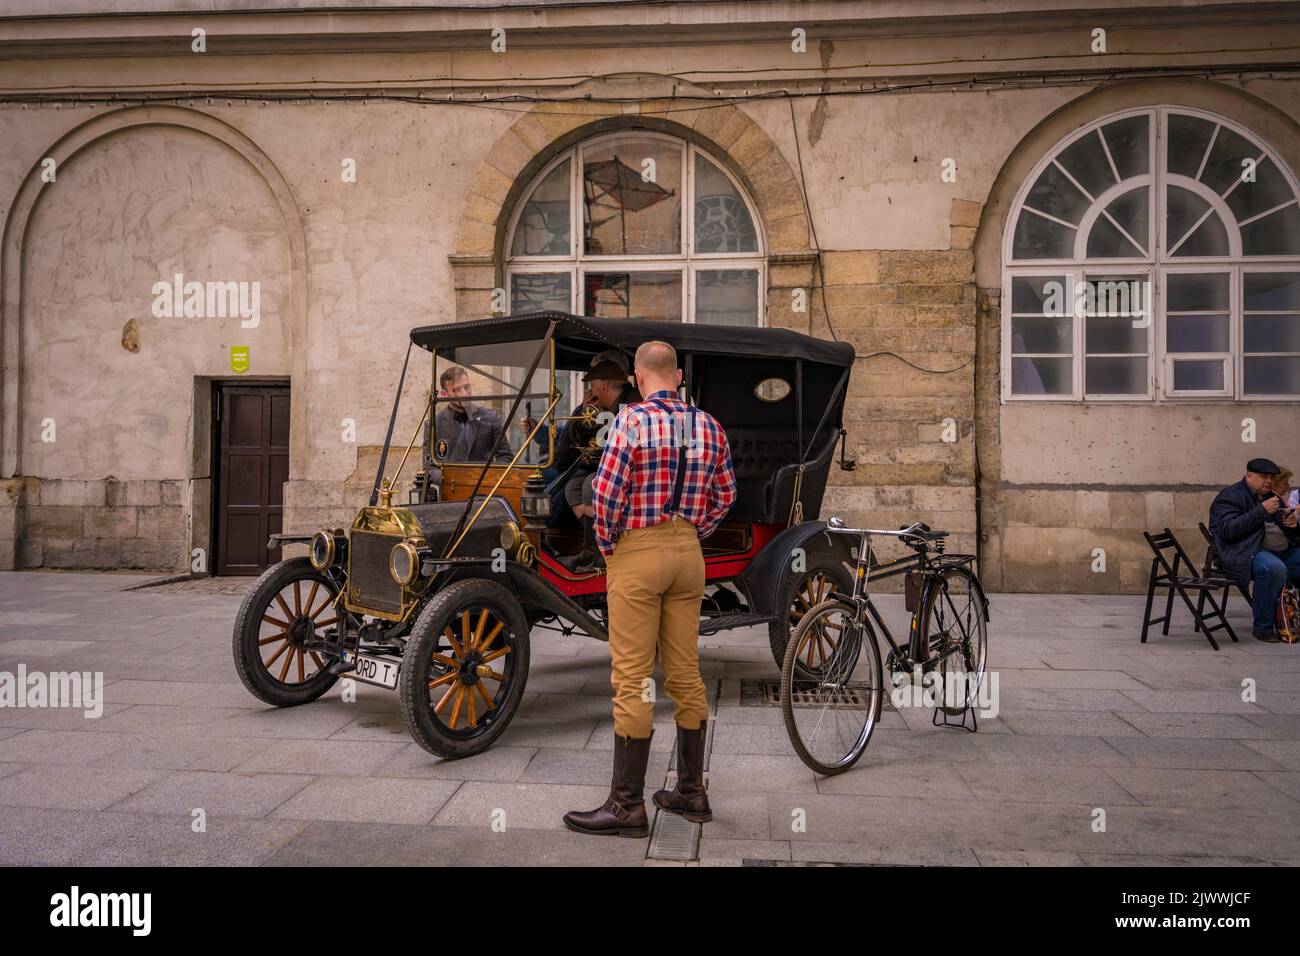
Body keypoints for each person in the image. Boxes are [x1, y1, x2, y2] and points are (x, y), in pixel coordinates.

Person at [563, 340, 737, 838]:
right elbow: (727, 494)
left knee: (634, 677)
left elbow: (605, 493)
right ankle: (691, 792)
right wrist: (693, 530)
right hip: (688, 555)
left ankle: (626, 806)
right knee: (685, 672)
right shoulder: (708, 425)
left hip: (637, 552)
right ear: (677, 376)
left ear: (638, 379)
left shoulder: (631, 420)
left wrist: (610, 545)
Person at [556, 360, 642, 571]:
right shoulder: (599, 408)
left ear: (603, 386)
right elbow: (573, 440)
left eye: (592, 386)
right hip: (607, 467)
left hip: (634, 471)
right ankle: (593, 548)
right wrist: (583, 413)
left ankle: (599, 551)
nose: (590, 392)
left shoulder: (632, 403)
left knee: (590, 484)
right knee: (572, 487)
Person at [1208, 457, 1300, 642]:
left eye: (1271, 477)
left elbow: (1288, 531)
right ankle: (1263, 628)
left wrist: (1292, 524)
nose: (1269, 481)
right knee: (1273, 568)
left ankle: (1291, 620)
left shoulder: (1271, 497)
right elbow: (1227, 530)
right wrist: (1261, 511)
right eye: (1264, 477)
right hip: (1243, 553)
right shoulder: (1230, 496)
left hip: (1280, 551)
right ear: (1249, 475)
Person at [433, 365, 513, 463]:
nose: (464, 394)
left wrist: (489, 472)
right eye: (456, 390)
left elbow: (506, 457)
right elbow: (430, 465)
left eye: (466, 387)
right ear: (444, 394)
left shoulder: (490, 417)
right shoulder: (435, 424)